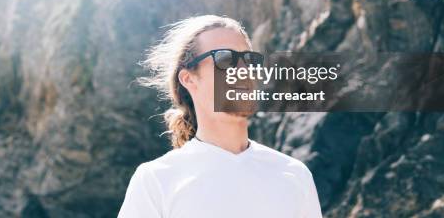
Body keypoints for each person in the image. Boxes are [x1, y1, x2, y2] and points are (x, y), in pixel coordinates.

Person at [118, 15, 323, 217]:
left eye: (249, 60)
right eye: (225, 59)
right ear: (188, 78)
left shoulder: (295, 175)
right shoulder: (156, 180)